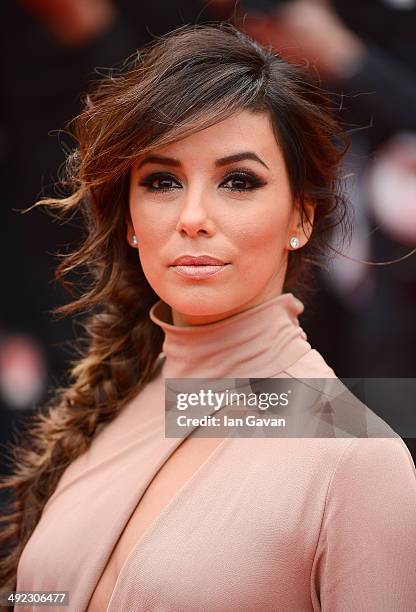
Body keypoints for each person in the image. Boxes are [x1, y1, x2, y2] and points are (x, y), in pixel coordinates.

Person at [0, 22, 415, 612]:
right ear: (130, 221)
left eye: (238, 181)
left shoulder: (356, 461)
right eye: (162, 181)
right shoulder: (114, 404)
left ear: (300, 217)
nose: (193, 216)